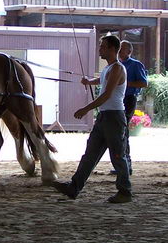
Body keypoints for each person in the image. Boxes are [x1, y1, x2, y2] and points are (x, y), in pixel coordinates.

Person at [52, 34, 133, 204]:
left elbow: (107, 94)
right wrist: (90, 82)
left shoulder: (118, 68)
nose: (99, 49)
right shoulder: (108, 68)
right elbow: (103, 80)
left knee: (118, 155)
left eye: (102, 47)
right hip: (105, 117)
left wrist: (86, 109)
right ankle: (74, 187)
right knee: (90, 155)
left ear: (112, 49)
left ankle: (124, 192)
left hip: (114, 117)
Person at [111, 40, 148, 175]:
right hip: (117, 99)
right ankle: (121, 164)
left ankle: (126, 165)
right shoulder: (116, 65)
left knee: (122, 132)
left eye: (122, 49)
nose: (119, 51)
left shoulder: (136, 65)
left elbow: (143, 83)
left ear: (129, 52)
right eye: (118, 49)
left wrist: (124, 83)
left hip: (128, 99)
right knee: (116, 132)